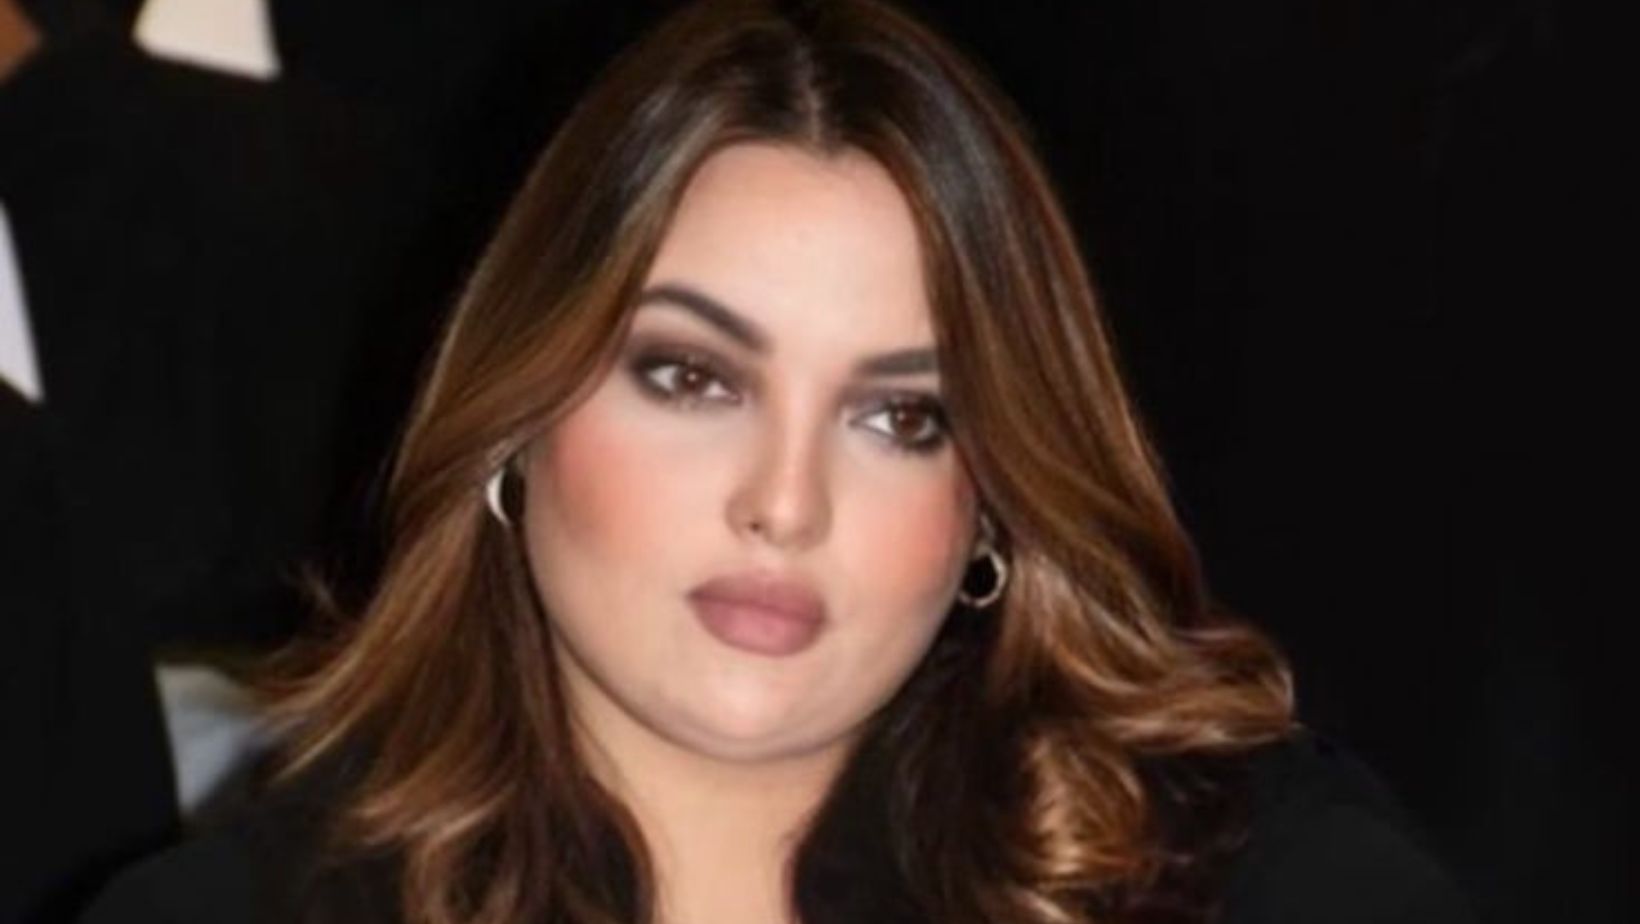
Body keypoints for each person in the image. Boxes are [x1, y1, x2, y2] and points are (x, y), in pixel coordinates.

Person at [78, 1, 1475, 922]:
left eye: (900, 418)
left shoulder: (1258, 878)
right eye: (694, 379)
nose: (785, 504)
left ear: (993, 503)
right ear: (514, 414)